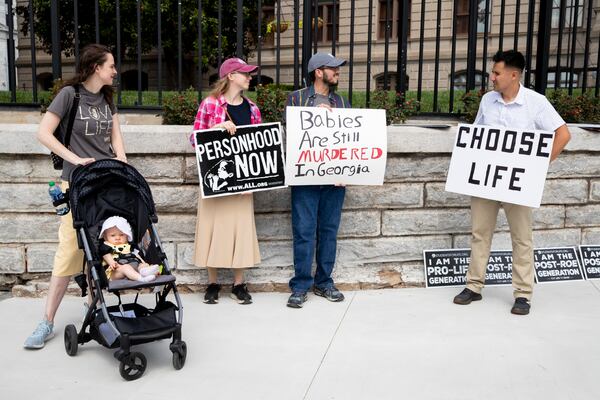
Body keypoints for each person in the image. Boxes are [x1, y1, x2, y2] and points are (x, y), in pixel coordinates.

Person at [453, 50, 571, 315]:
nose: (492, 78)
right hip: (486, 180)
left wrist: (537, 167)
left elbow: (563, 135)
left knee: (522, 237)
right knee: (480, 233)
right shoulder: (487, 101)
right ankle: (474, 286)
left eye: (496, 73)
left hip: (517, 182)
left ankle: (523, 294)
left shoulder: (536, 103)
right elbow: (477, 135)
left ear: (513, 75)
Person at [24, 44, 126, 349]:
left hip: (106, 182)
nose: (115, 71)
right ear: (96, 67)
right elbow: (44, 133)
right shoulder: (70, 95)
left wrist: (123, 163)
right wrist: (75, 158)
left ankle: (95, 306)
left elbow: (115, 137)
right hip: (76, 184)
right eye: (110, 65)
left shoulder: (107, 98)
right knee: (70, 250)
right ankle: (46, 322)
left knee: (101, 246)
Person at [190, 57, 262, 305]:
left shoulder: (252, 108)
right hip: (216, 179)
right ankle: (212, 283)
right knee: (212, 229)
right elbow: (194, 139)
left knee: (240, 231)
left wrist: (253, 181)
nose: (250, 77)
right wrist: (218, 128)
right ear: (231, 76)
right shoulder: (210, 105)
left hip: (243, 179)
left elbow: (258, 145)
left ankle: (239, 284)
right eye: (245, 73)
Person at [285, 52, 351, 309]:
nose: (338, 72)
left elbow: (349, 140)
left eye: (338, 68)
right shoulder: (297, 98)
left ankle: (324, 282)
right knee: (303, 232)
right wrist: (313, 113)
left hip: (334, 180)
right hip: (305, 178)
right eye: (333, 68)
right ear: (318, 72)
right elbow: (290, 132)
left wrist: (346, 170)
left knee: (329, 232)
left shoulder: (342, 102)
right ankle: (300, 285)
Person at [98, 216, 159, 282]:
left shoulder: (130, 246)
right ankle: (141, 279)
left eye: (121, 235)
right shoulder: (106, 245)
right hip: (116, 271)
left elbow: (136, 256)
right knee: (126, 268)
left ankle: (148, 273)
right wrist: (111, 262)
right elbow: (105, 255)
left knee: (144, 265)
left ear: (127, 236)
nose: (117, 238)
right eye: (113, 235)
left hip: (134, 266)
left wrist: (145, 264)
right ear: (105, 237)